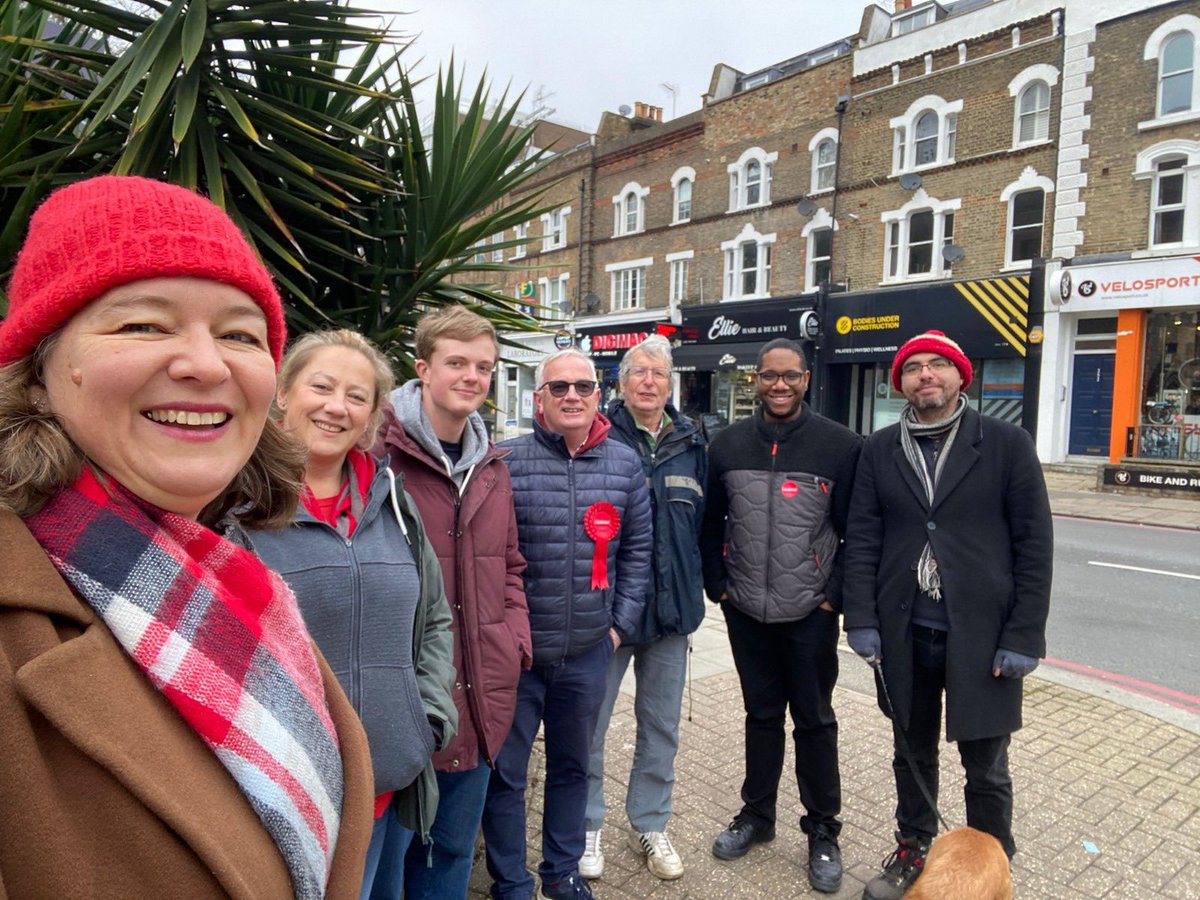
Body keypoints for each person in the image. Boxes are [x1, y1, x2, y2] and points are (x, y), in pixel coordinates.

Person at [0, 175, 372, 898]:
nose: (207, 364)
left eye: (240, 334)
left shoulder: (230, 582)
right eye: (144, 324)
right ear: (40, 371)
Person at [842, 330, 1052, 900]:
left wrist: (1024, 636)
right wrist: (860, 618)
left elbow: (1034, 545)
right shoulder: (878, 449)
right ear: (901, 383)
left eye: (938, 365)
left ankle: (990, 867)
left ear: (963, 376)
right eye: (913, 369)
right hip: (904, 632)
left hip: (982, 638)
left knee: (985, 766)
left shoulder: (1006, 443)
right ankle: (914, 850)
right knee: (911, 757)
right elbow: (862, 537)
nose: (925, 375)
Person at [250, 329, 457, 899]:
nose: (337, 406)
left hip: (390, 781)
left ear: (371, 417)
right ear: (284, 394)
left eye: (357, 396)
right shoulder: (235, 507)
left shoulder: (394, 503)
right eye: (322, 386)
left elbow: (434, 618)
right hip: (290, 797)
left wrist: (427, 717)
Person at [483, 348, 653, 900]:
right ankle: (510, 880)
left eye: (583, 386)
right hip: (520, 659)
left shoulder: (626, 464)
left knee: (573, 769)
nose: (572, 396)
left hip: (587, 654)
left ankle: (561, 872)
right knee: (506, 775)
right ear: (539, 399)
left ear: (599, 396)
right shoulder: (504, 460)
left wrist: (617, 628)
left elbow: (638, 554)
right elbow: (489, 558)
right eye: (559, 388)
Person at [376, 304, 532, 898]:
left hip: (483, 697)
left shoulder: (493, 465)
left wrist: (514, 639)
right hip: (406, 698)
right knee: (388, 874)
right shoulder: (380, 454)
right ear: (423, 368)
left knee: (451, 864)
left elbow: (510, 564)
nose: (472, 376)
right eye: (458, 362)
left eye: (485, 367)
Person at [699, 337, 861, 894]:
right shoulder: (726, 445)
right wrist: (717, 586)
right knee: (761, 716)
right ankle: (757, 817)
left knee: (815, 722)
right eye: (769, 376)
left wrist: (833, 597)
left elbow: (854, 533)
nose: (780, 385)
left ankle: (822, 831)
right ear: (756, 380)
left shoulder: (840, 446)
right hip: (745, 609)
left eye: (790, 376)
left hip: (810, 612)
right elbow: (710, 523)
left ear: (806, 379)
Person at [580, 335, 706, 882]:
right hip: (607, 614)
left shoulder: (694, 441)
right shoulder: (597, 436)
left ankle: (650, 822)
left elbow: (706, 524)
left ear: (670, 383)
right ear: (622, 383)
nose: (649, 381)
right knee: (589, 724)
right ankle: (586, 826)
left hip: (672, 614)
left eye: (659, 373)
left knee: (661, 726)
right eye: (639, 373)